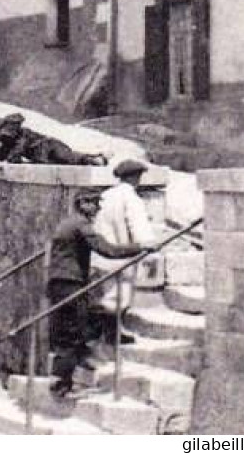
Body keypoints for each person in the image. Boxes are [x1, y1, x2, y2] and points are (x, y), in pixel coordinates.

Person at [47, 192, 141, 398]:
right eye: (95, 203)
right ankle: (66, 386)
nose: (98, 208)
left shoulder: (67, 223)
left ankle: (64, 380)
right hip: (71, 285)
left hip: (58, 284)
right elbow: (107, 249)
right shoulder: (81, 225)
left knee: (66, 333)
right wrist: (140, 247)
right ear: (83, 204)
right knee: (75, 332)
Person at [95, 159, 158, 337]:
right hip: (123, 253)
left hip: (103, 253)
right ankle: (114, 333)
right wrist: (148, 244)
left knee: (107, 293)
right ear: (135, 177)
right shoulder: (131, 198)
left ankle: (108, 332)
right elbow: (138, 226)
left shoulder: (106, 195)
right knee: (120, 295)